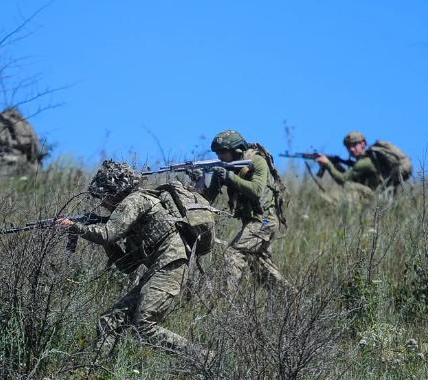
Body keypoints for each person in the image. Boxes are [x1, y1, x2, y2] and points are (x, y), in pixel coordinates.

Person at [55, 160, 206, 361]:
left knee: (144, 326)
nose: (103, 203)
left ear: (114, 190)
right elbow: (127, 265)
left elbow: (107, 234)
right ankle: (92, 370)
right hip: (160, 268)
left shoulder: (135, 200)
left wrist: (75, 227)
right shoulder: (135, 216)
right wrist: (103, 239)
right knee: (109, 321)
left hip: (171, 265)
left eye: (104, 197)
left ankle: (204, 358)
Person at [200, 130, 292, 291]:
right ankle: (290, 299)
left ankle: (225, 298)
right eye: (217, 153)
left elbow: (257, 190)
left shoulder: (257, 161)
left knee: (233, 253)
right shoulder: (224, 168)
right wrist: (200, 180)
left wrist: (230, 177)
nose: (219, 156)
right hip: (252, 221)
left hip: (265, 220)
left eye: (223, 152)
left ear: (236, 150)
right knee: (260, 268)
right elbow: (208, 199)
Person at [315, 131, 411, 192]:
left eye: (354, 145)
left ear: (363, 143)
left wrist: (328, 164)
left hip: (378, 197)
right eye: (349, 146)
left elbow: (343, 179)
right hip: (381, 194)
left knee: (349, 186)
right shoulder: (369, 159)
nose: (351, 149)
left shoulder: (365, 162)